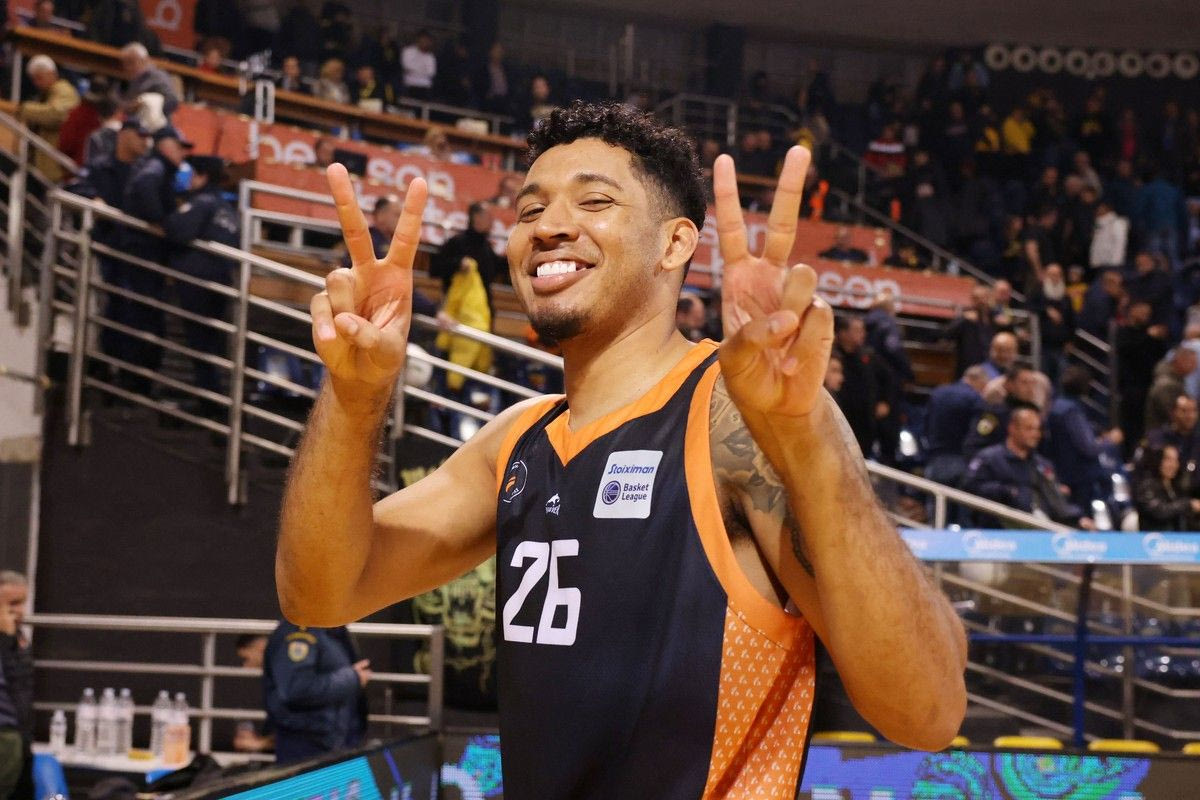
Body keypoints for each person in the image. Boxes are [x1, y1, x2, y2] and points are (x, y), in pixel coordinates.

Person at [277, 102, 966, 797]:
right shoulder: (515, 441)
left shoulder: (735, 420)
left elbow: (928, 712)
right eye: (529, 210)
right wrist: (355, 395)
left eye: (595, 202)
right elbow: (318, 595)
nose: (548, 226)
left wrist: (804, 437)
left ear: (674, 245)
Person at [117, 125, 192, 393]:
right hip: (143, 254)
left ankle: (137, 382)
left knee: (144, 317)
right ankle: (135, 383)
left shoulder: (157, 169)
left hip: (145, 254)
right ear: (164, 146)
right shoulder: (155, 168)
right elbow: (146, 189)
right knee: (143, 317)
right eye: (178, 146)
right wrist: (161, 222)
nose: (182, 153)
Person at [163, 155, 240, 407]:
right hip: (221, 282)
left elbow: (177, 231)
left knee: (200, 343)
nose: (189, 180)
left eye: (193, 174)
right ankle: (213, 398)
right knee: (211, 344)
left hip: (198, 282)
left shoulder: (202, 203)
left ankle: (210, 400)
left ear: (203, 176)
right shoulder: (227, 209)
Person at [963, 407, 1094, 528]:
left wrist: (1078, 519)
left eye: (1038, 429)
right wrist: (1007, 491)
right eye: (1029, 428)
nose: (1036, 434)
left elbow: (1057, 504)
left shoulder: (1042, 465)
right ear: (1012, 428)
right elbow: (970, 487)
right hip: (1000, 530)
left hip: (1044, 529)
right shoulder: (990, 458)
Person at [262, 622, 369, 764]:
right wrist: (352, 678)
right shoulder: (299, 632)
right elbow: (297, 688)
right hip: (306, 741)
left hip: (333, 740)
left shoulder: (330, 629)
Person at [1044, 366, 1110, 508]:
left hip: (1061, 471)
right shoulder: (1071, 411)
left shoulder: (1055, 405)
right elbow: (1089, 447)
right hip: (1076, 478)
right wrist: (1109, 442)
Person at [923, 365, 987, 489]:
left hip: (934, 456)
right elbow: (977, 431)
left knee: (935, 497)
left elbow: (926, 421)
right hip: (960, 457)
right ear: (979, 381)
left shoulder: (938, 392)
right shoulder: (975, 398)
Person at [19, 55, 80, 182]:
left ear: (51, 73)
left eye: (39, 78)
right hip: (44, 164)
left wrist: (24, 109)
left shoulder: (64, 90)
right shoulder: (47, 94)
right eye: (34, 79)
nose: (36, 83)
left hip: (55, 166)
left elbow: (56, 114)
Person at [0, 572, 32, 800]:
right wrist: (5, 639)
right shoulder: (9, 638)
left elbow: (21, 690)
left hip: (21, 734)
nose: (19, 611)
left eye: (23, 603)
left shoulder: (18, 637)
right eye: (12, 604)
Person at [430, 201, 502, 297]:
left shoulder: (487, 247)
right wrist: (458, 264)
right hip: (456, 301)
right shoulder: (457, 242)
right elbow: (435, 268)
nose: (491, 221)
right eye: (488, 217)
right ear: (476, 217)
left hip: (480, 303)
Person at [1135, 446, 1200, 531]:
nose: (1173, 465)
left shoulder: (1177, 486)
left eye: (1176, 460)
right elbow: (1159, 512)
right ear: (1158, 460)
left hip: (1179, 537)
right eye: (1168, 459)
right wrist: (1188, 504)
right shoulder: (1147, 485)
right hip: (1155, 536)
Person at [1030, 264, 1074, 384]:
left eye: (1058, 275)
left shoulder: (1066, 297)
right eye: (1052, 274)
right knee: (1043, 379)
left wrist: (1070, 340)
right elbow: (1029, 306)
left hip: (1061, 346)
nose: (1055, 277)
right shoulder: (1038, 292)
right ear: (1046, 275)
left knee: (1063, 378)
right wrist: (1046, 311)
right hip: (1043, 345)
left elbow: (1071, 319)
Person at [232, 634, 274, 754]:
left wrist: (261, 744)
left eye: (246, 659)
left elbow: (300, 728)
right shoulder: (274, 680)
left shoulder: (290, 679)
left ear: (261, 647)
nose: (245, 667)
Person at [943, 284, 994, 377]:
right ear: (972, 300)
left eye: (984, 297)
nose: (981, 301)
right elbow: (947, 334)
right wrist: (964, 320)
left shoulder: (993, 319)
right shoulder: (965, 319)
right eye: (977, 298)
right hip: (967, 369)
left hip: (988, 369)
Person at [1145, 346, 1198, 434]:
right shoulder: (1166, 385)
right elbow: (1172, 415)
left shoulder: (1177, 379)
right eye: (1192, 363)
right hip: (1162, 436)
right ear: (1180, 361)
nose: (1195, 367)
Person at [1143, 395, 1200, 473]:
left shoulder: (1197, 440)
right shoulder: (1157, 437)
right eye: (1184, 411)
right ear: (1173, 413)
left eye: (1194, 411)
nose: (1190, 416)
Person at [119, 43, 179, 117]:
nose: (127, 67)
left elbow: (172, 101)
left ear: (144, 60)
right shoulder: (134, 79)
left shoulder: (158, 77)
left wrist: (145, 106)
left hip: (154, 122)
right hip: (133, 121)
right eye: (125, 64)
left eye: (131, 62)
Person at [400, 30, 437, 101]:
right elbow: (406, 67)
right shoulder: (408, 51)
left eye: (427, 41)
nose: (425, 43)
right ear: (418, 40)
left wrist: (415, 69)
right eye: (423, 41)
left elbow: (431, 73)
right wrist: (422, 69)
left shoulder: (430, 56)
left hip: (425, 87)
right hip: (410, 85)